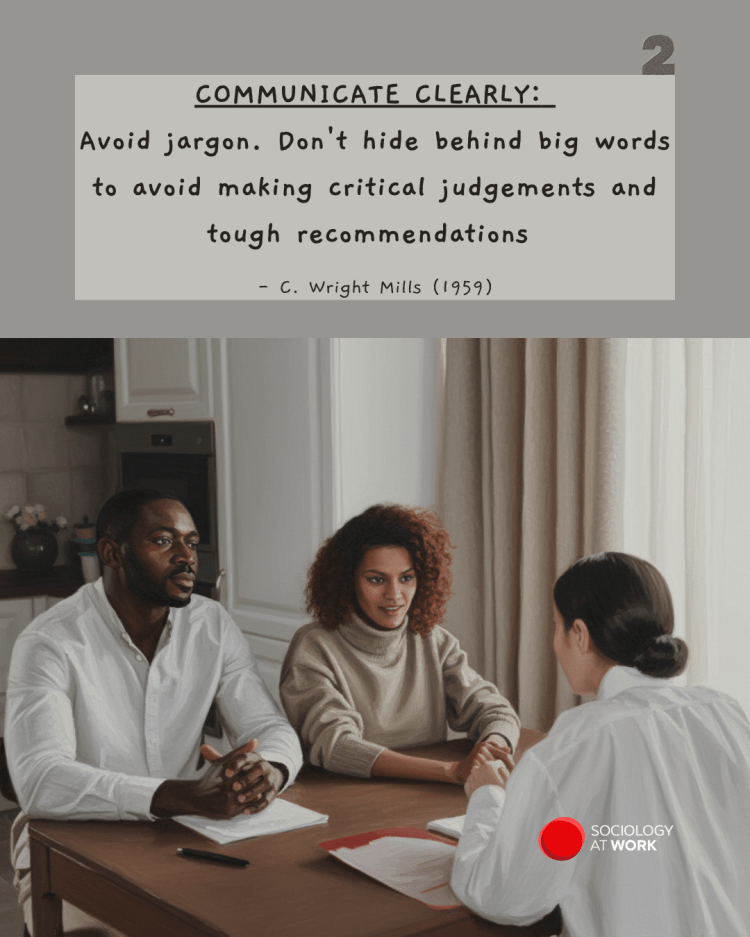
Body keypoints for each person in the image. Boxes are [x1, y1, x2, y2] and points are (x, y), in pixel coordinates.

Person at [5, 488, 302, 937]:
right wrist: (183, 795)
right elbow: (41, 781)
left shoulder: (212, 625)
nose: (186, 557)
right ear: (112, 552)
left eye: (191, 541)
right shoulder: (49, 642)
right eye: (163, 541)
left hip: (186, 839)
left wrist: (270, 770)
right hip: (71, 850)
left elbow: (267, 725)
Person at [451, 552, 750, 937]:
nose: (555, 643)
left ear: (579, 634)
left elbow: (500, 895)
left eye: (556, 627)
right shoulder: (724, 712)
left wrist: (487, 797)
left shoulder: (581, 739)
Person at [279, 503, 520, 784]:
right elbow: (335, 745)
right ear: (348, 581)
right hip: (344, 795)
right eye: (377, 579)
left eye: (406, 578)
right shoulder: (314, 646)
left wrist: (491, 746)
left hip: (425, 794)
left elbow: (497, 711)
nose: (395, 595)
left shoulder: (434, 640)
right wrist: (450, 771)